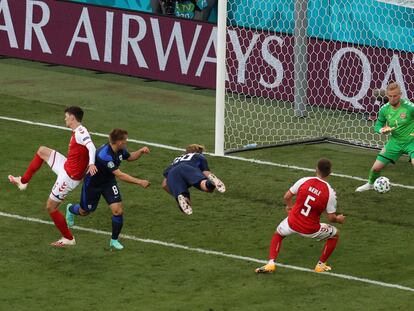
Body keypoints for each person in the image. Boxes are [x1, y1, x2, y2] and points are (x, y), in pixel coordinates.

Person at [8, 106, 97, 247]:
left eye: (66, 116)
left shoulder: (80, 132)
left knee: (51, 207)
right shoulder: (77, 131)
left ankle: (68, 238)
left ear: (73, 117)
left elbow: (92, 147)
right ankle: (23, 181)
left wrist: (91, 164)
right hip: (66, 166)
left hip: (69, 177)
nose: (65, 118)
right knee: (42, 151)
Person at [255, 158, 345, 274]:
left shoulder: (304, 180)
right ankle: (320, 265)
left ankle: (271, 263)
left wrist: (289, 207)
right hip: (310, 229)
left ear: (316, 169)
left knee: (278, 234)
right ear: (330, 172)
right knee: (335, 234)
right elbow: (331, 218)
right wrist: (339, 219)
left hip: (291, 222)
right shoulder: (330, 193)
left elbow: (287, 196)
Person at [65, 128, 151, 250]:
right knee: (85, 211)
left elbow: (130, 157)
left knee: (118, 211)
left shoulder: (119, 150)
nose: (126, 142)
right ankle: (70, 209)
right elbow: (120, 175)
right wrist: (140, 182)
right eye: (125, 140)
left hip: (108, 183)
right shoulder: (104, 155)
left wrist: (141, 151)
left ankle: (114, 240)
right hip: (93, 185)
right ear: (118, 142)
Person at [356, 82, 414, 192]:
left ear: (400, 94)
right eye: (390, 96)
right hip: (395, 142)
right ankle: (370, 184)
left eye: (395, 96)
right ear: (386, 95)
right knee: (376, 167)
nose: (392, 98)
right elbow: (378, 125)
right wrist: (381, 130)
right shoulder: (384, 109)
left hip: (411, 142)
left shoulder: (410, 108)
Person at [162, 144, 225, 215]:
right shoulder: (199, 156)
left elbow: (164, 184)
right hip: (187, 168)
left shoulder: (176, 159)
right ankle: (211, 183)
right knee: (205, 185)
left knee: (184, 197)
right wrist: (211, 177)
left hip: (172, 173)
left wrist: (175, 192)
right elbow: (206, 172)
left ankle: (182, 197)